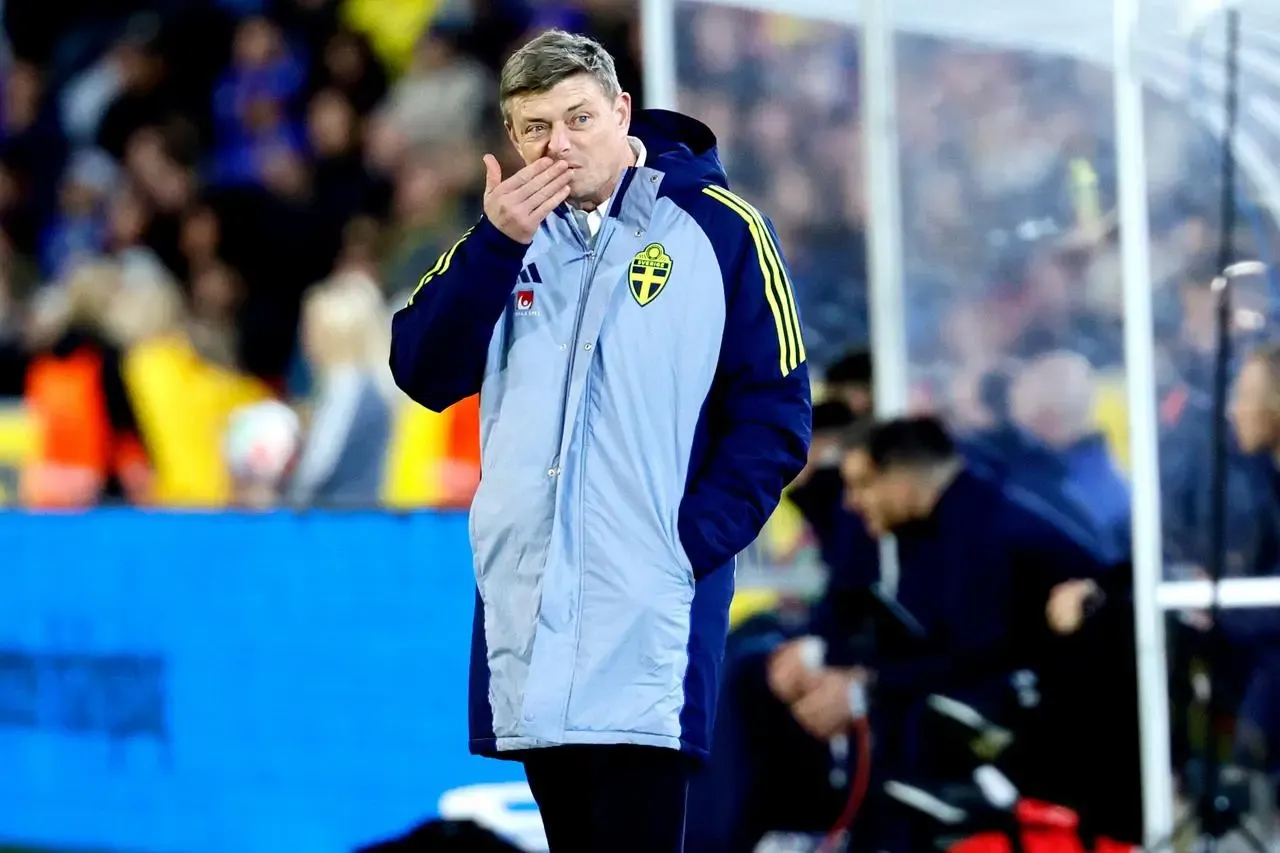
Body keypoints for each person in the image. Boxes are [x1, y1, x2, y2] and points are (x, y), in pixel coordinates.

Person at [388, 29, 812, 853]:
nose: (560, 145)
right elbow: (421, 369)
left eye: (579, 119)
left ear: (622, 112)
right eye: (536, 128)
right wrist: (495, 245)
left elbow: (778, 413)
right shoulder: (506, 237)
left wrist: (685, 544)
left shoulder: (720, 229)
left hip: (653, 603)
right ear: (511, 139)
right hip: (531, 598)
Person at [804, 416, 1115, 853]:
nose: (852, 504)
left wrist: (869, 684)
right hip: (1012, 699)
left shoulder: (981, 533)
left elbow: (976, 658)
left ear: (903, 476)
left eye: (861, 485)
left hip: (1056, 722)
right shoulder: (949, 522)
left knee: (904, 718)